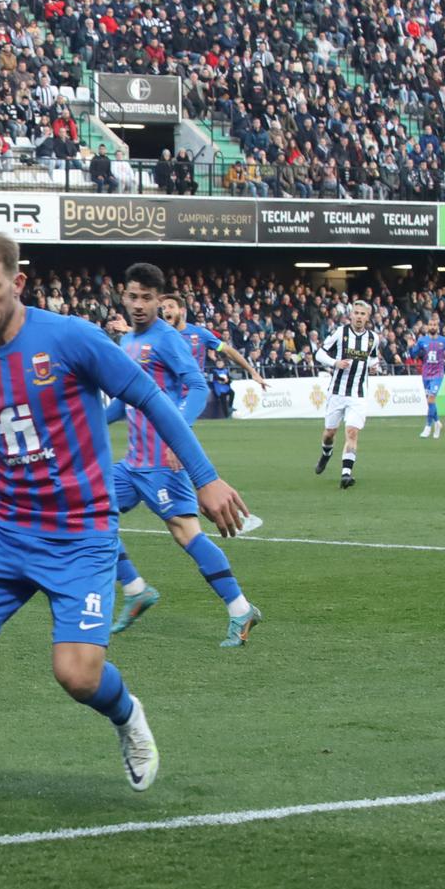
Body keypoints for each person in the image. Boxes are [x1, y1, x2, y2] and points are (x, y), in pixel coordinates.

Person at [0, 231, 250, 826]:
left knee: (77, 675)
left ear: (18, 283)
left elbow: (150, 398)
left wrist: (206, 477)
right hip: (2, 531)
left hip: (82, 533)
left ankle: (127, 714)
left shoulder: (70, 338)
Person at [103, 266, 263, 649]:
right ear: (123, 298)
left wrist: (180, 435)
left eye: (147, 298)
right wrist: (84, 423)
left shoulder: (167, 339)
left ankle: (240, 608)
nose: (139, 305)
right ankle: (137, 589)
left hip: (164, 461)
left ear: (160, 301)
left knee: (185, 534)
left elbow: (196, 387)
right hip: (132, 462)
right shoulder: (127, 343)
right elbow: (124, 402)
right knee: (87, 511)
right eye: (133, 297)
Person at [313, 300, 390, 488]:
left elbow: (372, 358)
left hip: (358, 394)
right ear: (351, 314)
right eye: (356, 313)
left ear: (368, 317)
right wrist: (334, 363)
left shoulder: (373, 338)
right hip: (337, 392)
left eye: (362, 314)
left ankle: (346, 473)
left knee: (352, 432)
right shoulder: (341, 333)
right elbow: (319, 354)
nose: (359, 316)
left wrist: (373, 367)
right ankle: (326, 454)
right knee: (329, 433)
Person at [408, 315, 445, 439]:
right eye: (431, 325)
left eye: (435, 325)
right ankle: (438, 422)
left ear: (438, 327)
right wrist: (410, 346)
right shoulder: (422, 340)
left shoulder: (443, 341)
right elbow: (413, 355)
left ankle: (428, 426)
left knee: (430, 400)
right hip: (425, 374)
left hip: (438, 374)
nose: (433, 327)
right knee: (430, 402)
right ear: (427, 326)